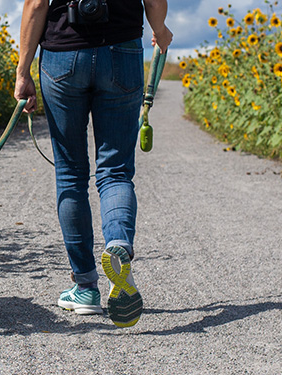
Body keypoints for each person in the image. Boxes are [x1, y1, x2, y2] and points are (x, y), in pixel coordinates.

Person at [14, 0, 172, 327]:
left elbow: (36, 4)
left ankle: (85, 286)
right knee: (115, 172)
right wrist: (161, 31)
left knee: (71, 175)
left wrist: (22, 71)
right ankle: (118, 244)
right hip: (123, 52)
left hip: (62, 54)